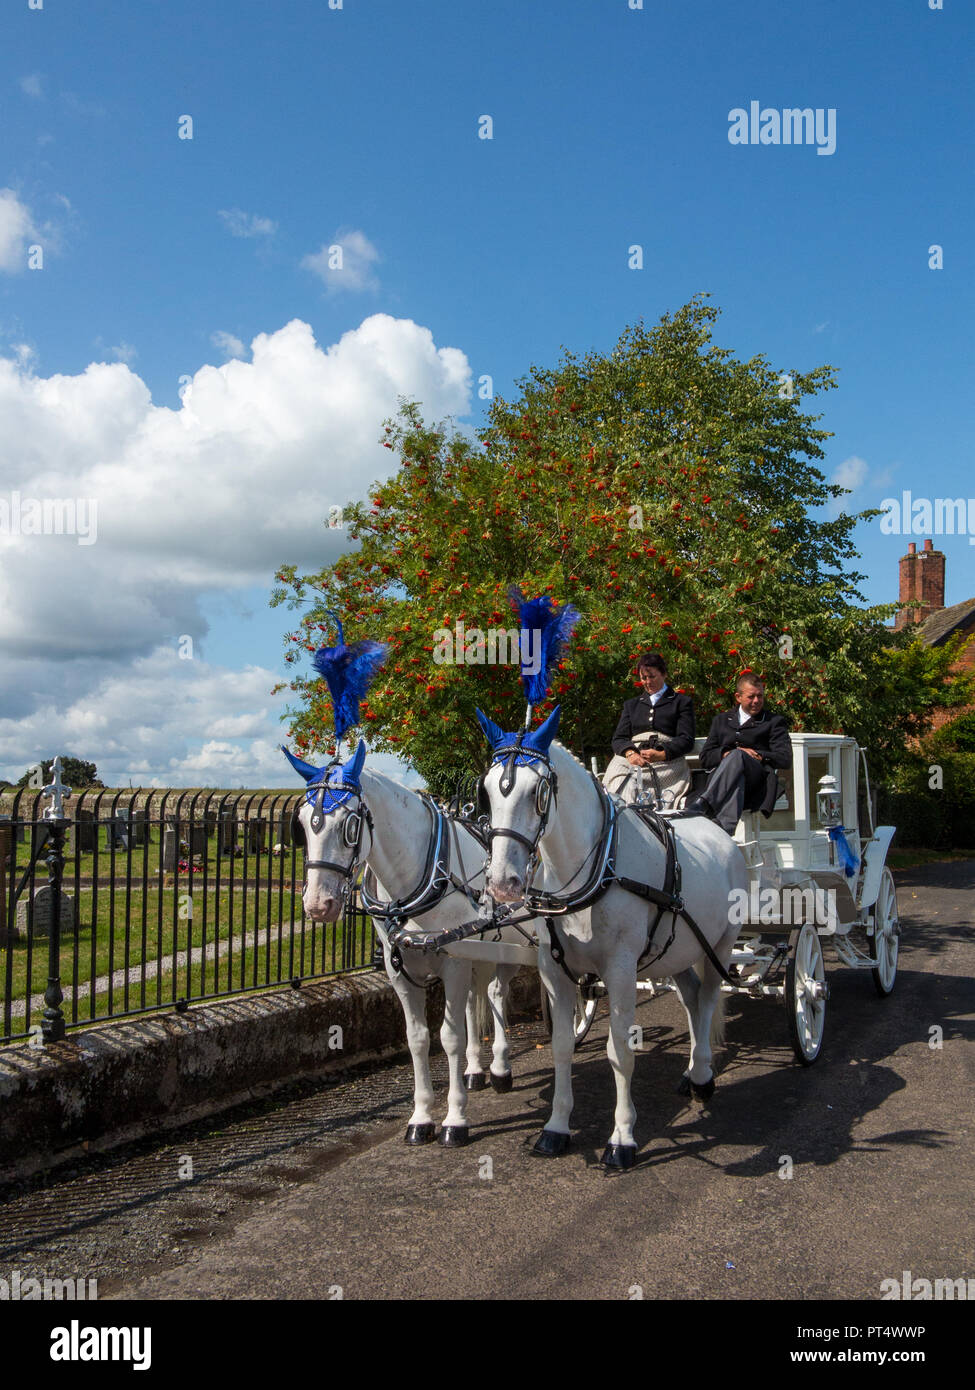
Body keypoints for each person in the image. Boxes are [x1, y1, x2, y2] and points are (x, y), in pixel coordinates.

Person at [686, 673, 792, 835]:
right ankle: (725, 828)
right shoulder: (721, 720)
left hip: (757, 780)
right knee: (736, 769)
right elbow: (705, 758)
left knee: (738, 756)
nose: (756, 701)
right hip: (728, 779)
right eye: (751, 697)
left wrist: (758, 754)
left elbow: (785, 758)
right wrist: (725, 754)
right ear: (738, 697)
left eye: (760, 696)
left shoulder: (774, 722)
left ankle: (706, 802)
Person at [603, 652, 695, 807]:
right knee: (618, 777)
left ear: (664, 674)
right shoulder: (631, 705)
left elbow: (686, 739)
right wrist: (630, 753)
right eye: (643, 678)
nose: (647, 682)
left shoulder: (681, 702)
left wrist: (662, 753)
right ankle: (623, 817)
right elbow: (619, 739)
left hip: (667, 762)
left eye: (652, 676)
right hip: (633, 759)